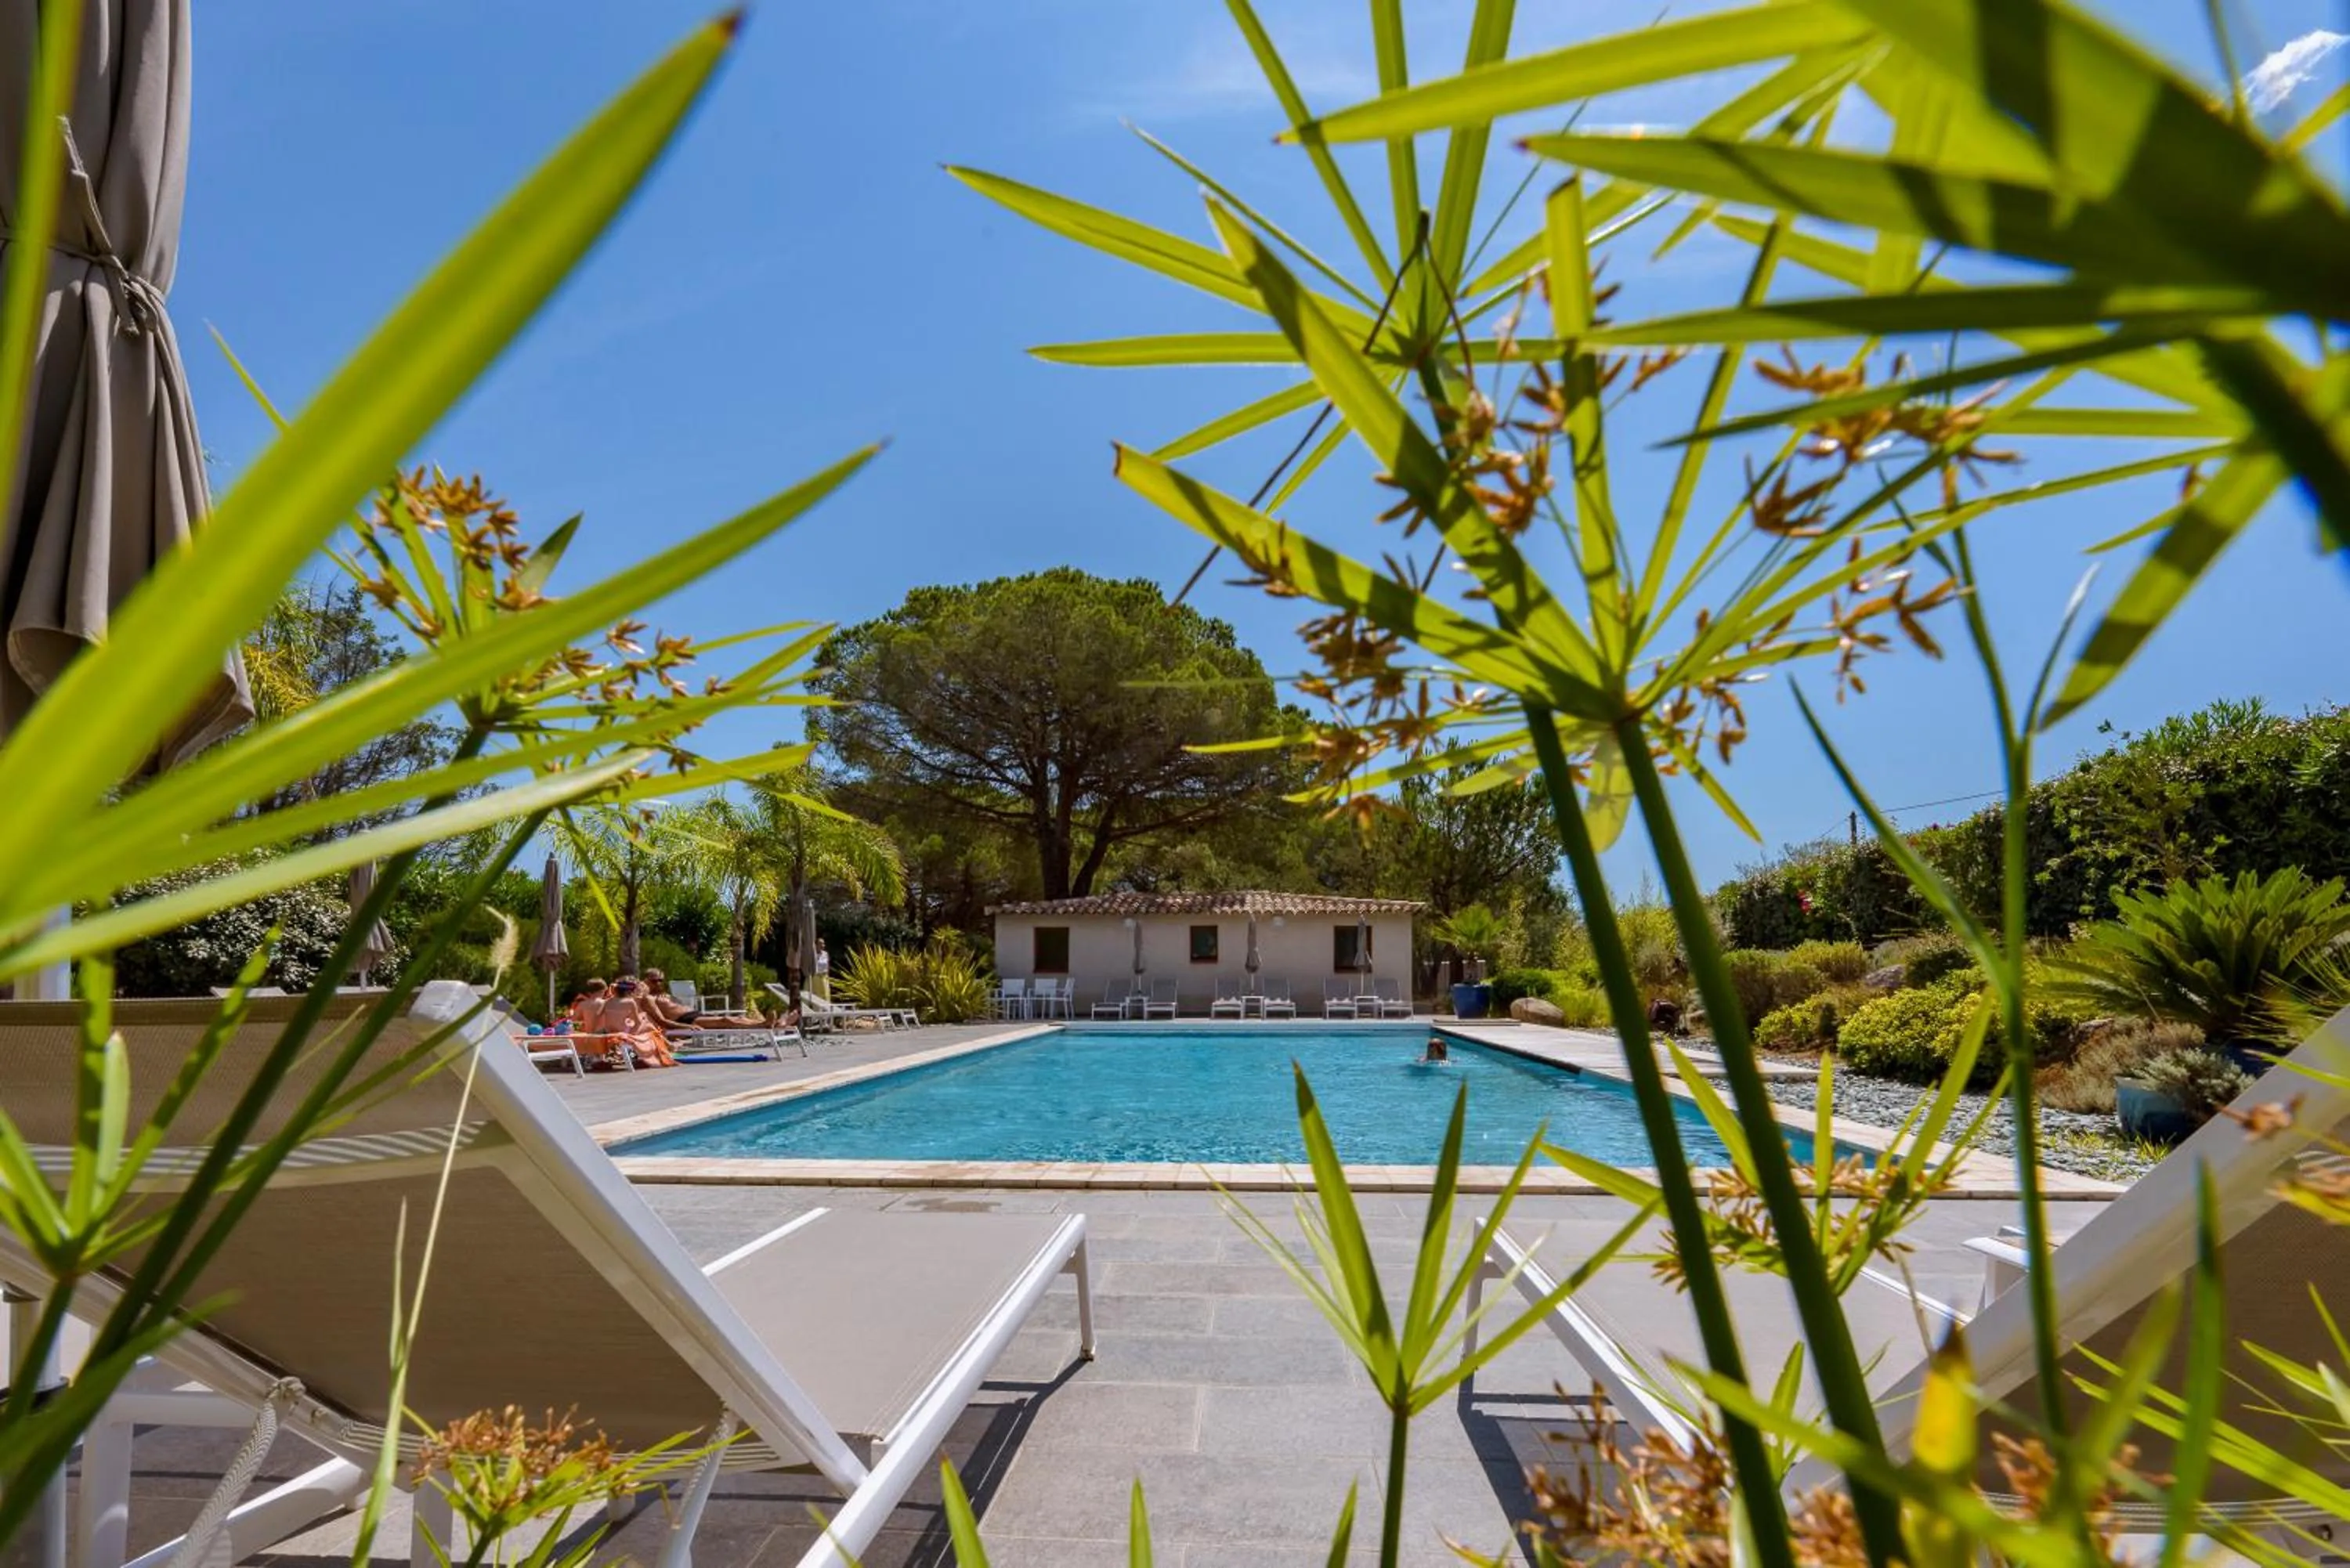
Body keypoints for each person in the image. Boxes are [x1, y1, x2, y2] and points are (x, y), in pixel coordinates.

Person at [642, 969, 768, 1031]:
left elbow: (677, 1006)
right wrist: (686, 1026)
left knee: (736, 1017)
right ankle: (761, 1026)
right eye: (654, 981)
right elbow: (662, 1021)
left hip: (694, 1014)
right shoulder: (649, 998)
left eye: (661, 980)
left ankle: (766, 1023)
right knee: (726, 1020)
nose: (658, 983)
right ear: (646, 981)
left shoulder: (663, 995)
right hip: (686, 1020)